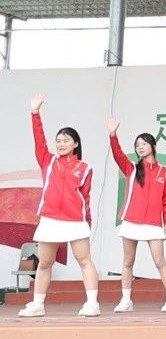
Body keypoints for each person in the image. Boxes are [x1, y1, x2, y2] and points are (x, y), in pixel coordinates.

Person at [17, 94, 100, 318]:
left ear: (76, 144)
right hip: (50, 219)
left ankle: (92, 303)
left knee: (84, 260)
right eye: (59, 141)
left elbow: (86, 198)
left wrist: (87, 222)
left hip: (75, 221)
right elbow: (39, 140)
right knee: (45, 263)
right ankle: (38, 305)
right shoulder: (48, 160)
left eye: (66, 140)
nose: (61, 144)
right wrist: (35, 113)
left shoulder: (84, 168)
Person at [107, 117, 166, 313]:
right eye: (137, 145)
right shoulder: (131, 168)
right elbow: (117, 154)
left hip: (154, 223)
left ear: (153, 146)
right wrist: (113, 135)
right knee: (128, 261)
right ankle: (126, 300)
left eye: (144, 143)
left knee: (160, 261)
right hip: (132, 221)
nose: (140, 147)